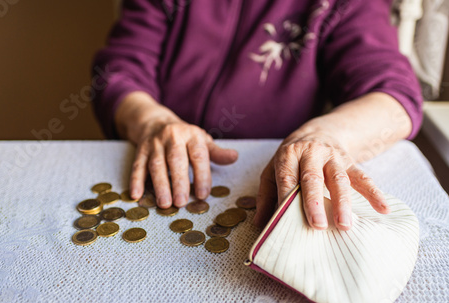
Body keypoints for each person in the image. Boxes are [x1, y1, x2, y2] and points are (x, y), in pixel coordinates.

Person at [92, 0, 423, 231]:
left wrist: (324, 135)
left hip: (268, 174)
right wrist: (154, 121)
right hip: (156, 160)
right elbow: (118, 71)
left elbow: (395, 97)